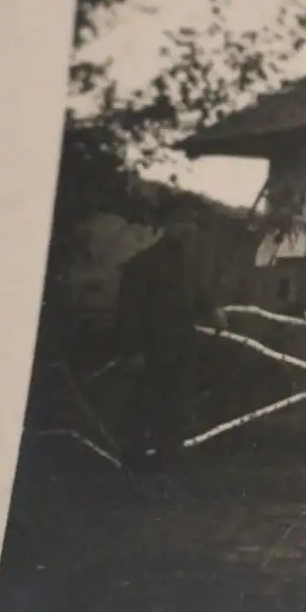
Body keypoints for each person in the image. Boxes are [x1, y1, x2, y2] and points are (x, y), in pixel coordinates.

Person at [115, 202, 227, 474]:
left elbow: (202, 298)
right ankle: (133, 466)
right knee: (144, 407)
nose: (189, 229)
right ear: (168, 226)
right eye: (182, 223)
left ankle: (168, 468)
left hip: (181, 347)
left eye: (191, 223)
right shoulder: (142, 265)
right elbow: (129, 313)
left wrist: (214, 311)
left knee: (176, 410)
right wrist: (133, 351)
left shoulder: (189, 265)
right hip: (152, 349)